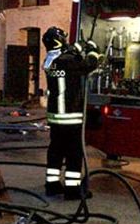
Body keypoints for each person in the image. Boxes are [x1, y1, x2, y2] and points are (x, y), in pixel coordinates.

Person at [42, 27, 101, 200]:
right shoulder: (67, 61)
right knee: (74, 154)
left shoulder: (50, 61)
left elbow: (70, 65)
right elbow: (89, 65)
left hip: (55, 117)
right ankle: (72, 190)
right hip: (70, 116)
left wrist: (76, 49)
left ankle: (52, 185)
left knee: (55, 151)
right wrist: (92, 50)